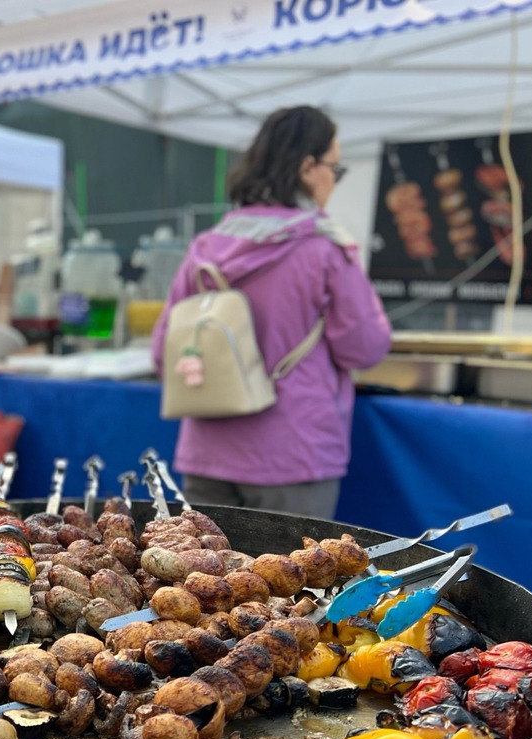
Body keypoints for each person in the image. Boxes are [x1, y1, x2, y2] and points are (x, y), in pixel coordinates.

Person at [150, 106, 391, 519]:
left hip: (207, 451)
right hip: (294, 453)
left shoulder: (206, 247)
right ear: (308, 167)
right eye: (335, 168)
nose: (334, 180)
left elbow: (162, 354)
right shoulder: (325, 248)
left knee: (204, 560)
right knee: (293, 562)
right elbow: (365, 347)